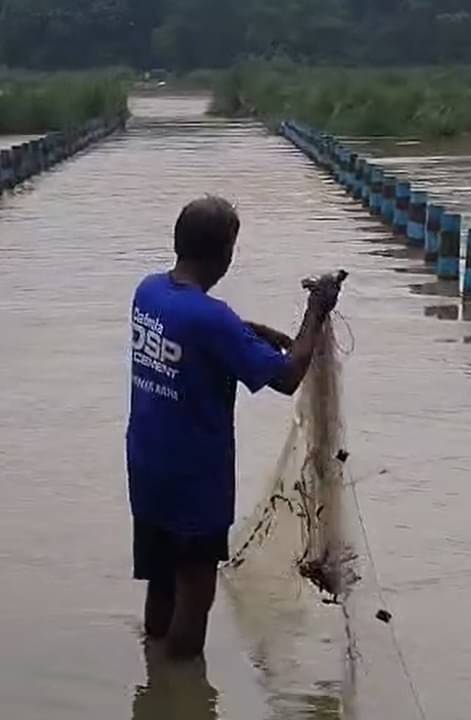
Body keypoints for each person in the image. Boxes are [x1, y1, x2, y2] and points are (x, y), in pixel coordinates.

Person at [127, 195, 340, 659]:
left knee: (162, 578)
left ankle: (152, 676)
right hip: (194, 482)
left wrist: (251, 334)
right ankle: (180, 687)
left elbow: (201, 329)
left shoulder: (148, 293)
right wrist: (315, 312)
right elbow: (286, 378)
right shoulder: (211, 319)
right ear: (225, 255)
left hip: (147, 470)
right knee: (196, 593)